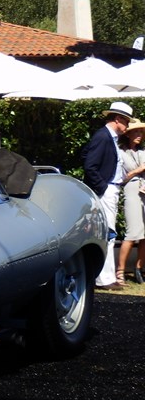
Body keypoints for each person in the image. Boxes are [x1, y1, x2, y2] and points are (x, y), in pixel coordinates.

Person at [82, 101, 134, 290]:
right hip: (106, 190)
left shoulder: (106, 137)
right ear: (118, 119)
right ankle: (103, 279)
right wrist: (102, 187)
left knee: (108, 233)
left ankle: (106, 276)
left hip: (109, 189)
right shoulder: (104, 137)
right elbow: (90, 165)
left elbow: (86, 155)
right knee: (107, 233)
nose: (127, 127)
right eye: (126, 122)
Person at [117, 119, 145, 284]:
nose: (139, 135)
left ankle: (139, 269)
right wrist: (138, 170)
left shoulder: (142, 153)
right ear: (127, 134)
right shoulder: (121, 154)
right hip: (131, 192)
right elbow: (121, 178)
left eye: (140, 132)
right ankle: (120, 271)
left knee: (144, 235)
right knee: (132, 232)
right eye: (136, 132)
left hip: (144, 193)